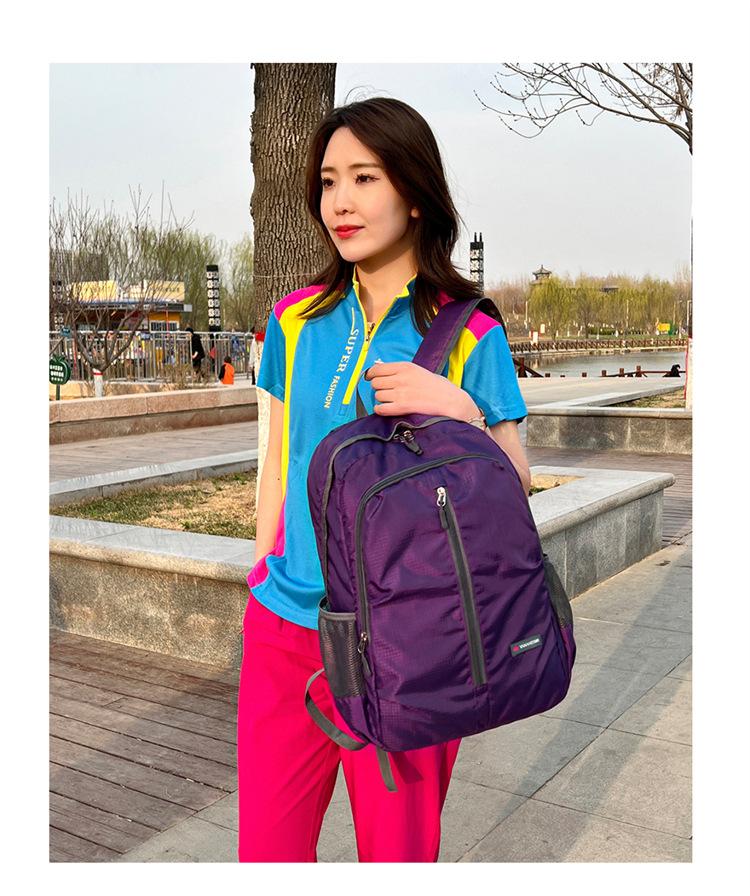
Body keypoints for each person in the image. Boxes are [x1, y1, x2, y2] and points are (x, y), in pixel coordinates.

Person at [237, 97, 531, 863]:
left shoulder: (469, 330)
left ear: (414, 193)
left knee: (397, 856)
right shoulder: (293, 320)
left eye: (365, 178)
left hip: (410, 644)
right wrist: (263, 572)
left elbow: (516, 484)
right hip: (286, 629)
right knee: (266, 854)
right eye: (329, 181)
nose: (341, 200)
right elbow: (278, 463)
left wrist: (460, 410)